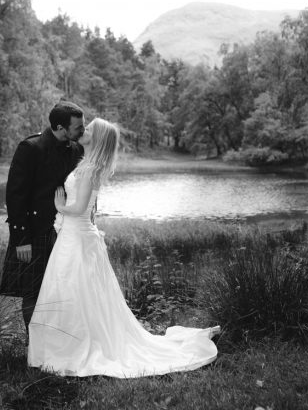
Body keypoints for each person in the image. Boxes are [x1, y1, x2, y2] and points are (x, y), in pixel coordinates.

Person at [28, 118, 219, 377]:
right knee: (77, 289)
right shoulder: (88, 165)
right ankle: (67, 342)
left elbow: (80, 208)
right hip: (77, 235)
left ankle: (72, 346)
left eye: (90, 130)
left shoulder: (88, 169)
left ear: (97, 139)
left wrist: (61, 208)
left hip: (77, 235)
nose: (85, 131)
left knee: (73, 287)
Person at [0, 101, 85, 334]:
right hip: (35, 231)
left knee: (64, 289)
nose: (82, 131)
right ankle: (34, 344)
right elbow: (15, 196)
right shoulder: (31, 148)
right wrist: (21, 238)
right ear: (60, 127)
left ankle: (58, 338)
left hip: (65, 231)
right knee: (33, 291)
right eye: (78, 127)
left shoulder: (77, 150)